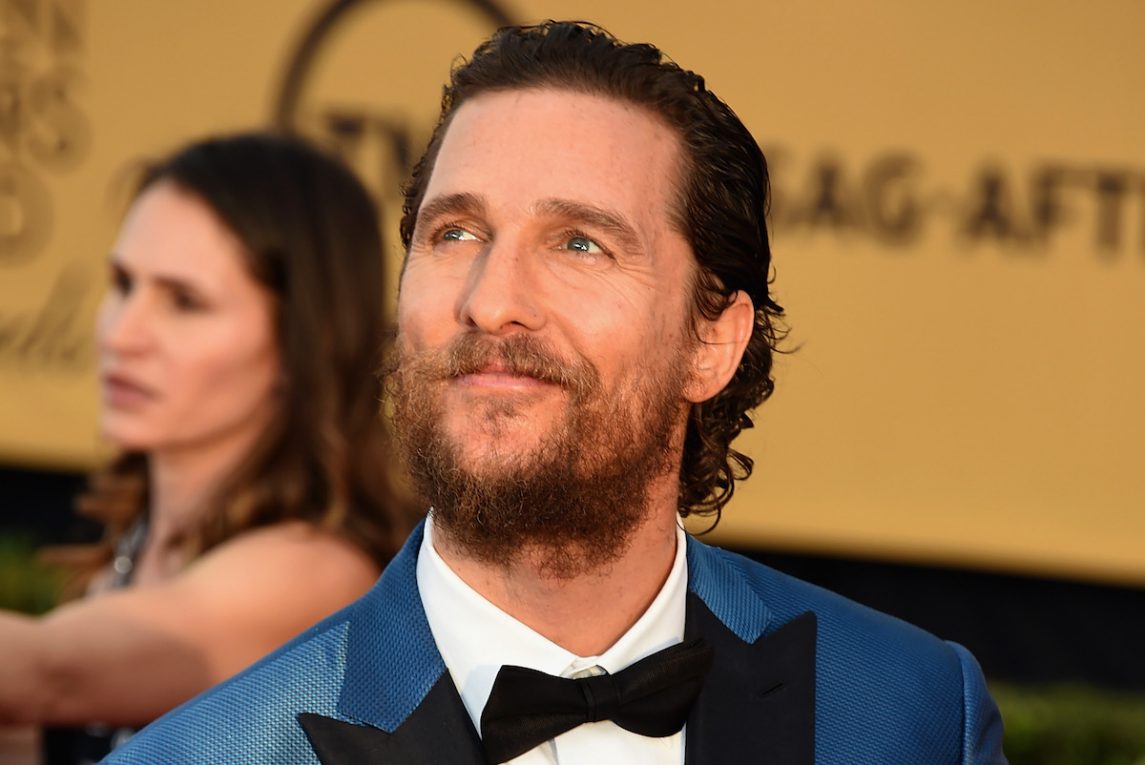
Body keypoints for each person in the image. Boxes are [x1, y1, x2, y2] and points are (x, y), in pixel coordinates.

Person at [102, 22, 1007, 764]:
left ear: (711, 341)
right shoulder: (207, 754)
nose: (490, 299)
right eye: (455, 233)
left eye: (579, 243)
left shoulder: (908, 712)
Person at [0, 132, 411, 762]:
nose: (122, 334)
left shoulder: (313, 573)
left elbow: (44, 673)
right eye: (123, 284)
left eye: (184, 302)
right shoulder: (131, 550)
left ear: (299, 345)